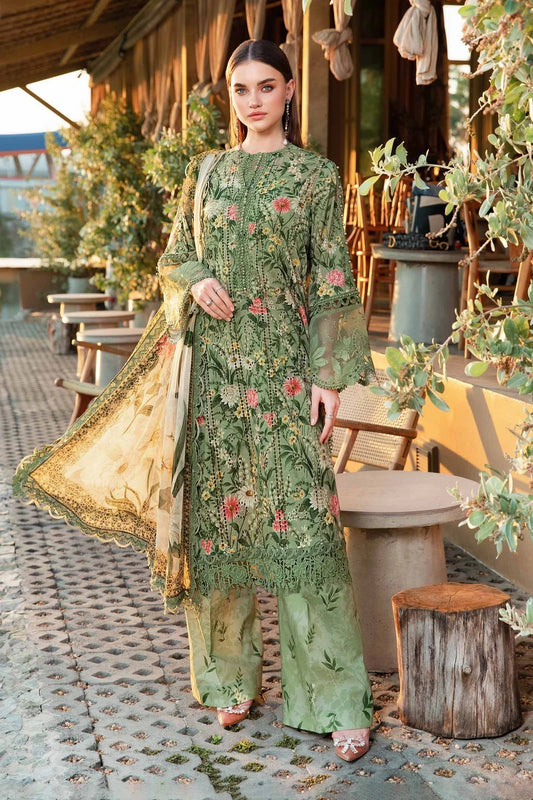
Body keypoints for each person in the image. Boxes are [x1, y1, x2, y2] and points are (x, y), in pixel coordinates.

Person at [13, 39, 375, 762]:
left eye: (266, 87)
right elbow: (172, 258)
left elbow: (332, 276)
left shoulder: (313, 177)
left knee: (306, 532)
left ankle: (335, 700)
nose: (253, 101)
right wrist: (194, 281)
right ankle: (229, 682)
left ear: (290, 90)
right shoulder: (204, 174)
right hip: (210, 383)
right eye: (241, 90)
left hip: (283, 377)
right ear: (231, 98)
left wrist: (329, 380)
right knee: (216, 535)